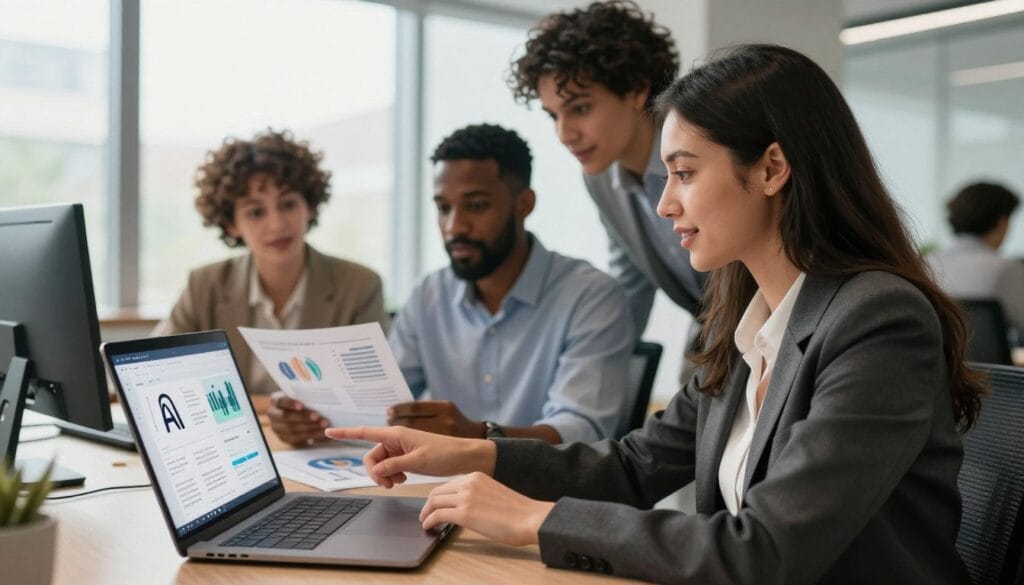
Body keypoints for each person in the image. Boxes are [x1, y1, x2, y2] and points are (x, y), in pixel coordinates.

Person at [327, 45, 985, 584]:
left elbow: (767, 549)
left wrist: (533, 520)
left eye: (685, 172)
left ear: (772, 168)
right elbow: (635, 467)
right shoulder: (743, 322)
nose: (665, 204)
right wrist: (477, 453)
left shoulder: (879, 323)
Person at [269, 124, 635, 446]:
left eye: (475, 206)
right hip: (441, 496)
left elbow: (582, 432)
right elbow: (376, 403)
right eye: (443, 207)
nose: (454, 227)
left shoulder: (592, 298)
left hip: (545, 504)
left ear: (524, 204)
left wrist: (478, 434)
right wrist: (308, 419)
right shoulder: (428, 296)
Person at [509, 0, 706, 339]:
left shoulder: (703, 151)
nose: (564, 134)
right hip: (716, 340)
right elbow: (631, 289)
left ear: (635, 90)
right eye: (553, 115)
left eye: (580, 108)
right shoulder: (600, 179)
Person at [154, 129, 388, 411]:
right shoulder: (205, 285)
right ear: (232, 223)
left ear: (309, 207)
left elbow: (372, 396)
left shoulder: (359, 286)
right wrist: (272, 407)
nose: (277, 224)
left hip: (327, 445)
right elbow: (161, 377)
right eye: (256, 212)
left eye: (288, 204)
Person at [929, 181, 1024, 333]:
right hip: (990, 358)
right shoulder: (1006, 270)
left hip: (938, 356)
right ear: (1002, 222)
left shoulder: (927, 263)